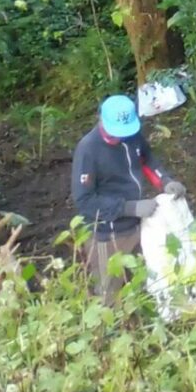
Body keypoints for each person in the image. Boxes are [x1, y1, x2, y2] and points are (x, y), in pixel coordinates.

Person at [73, 92, 184, 305]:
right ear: (101, 120)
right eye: (116, 133)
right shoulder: (88, 149)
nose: (120, 137)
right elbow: (84, 201)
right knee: (111, 296)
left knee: (144, 284)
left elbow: (147, 160)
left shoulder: (132, 136)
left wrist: (165, 181)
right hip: (107, 235)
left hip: (139, 226)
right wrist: (129, 208)